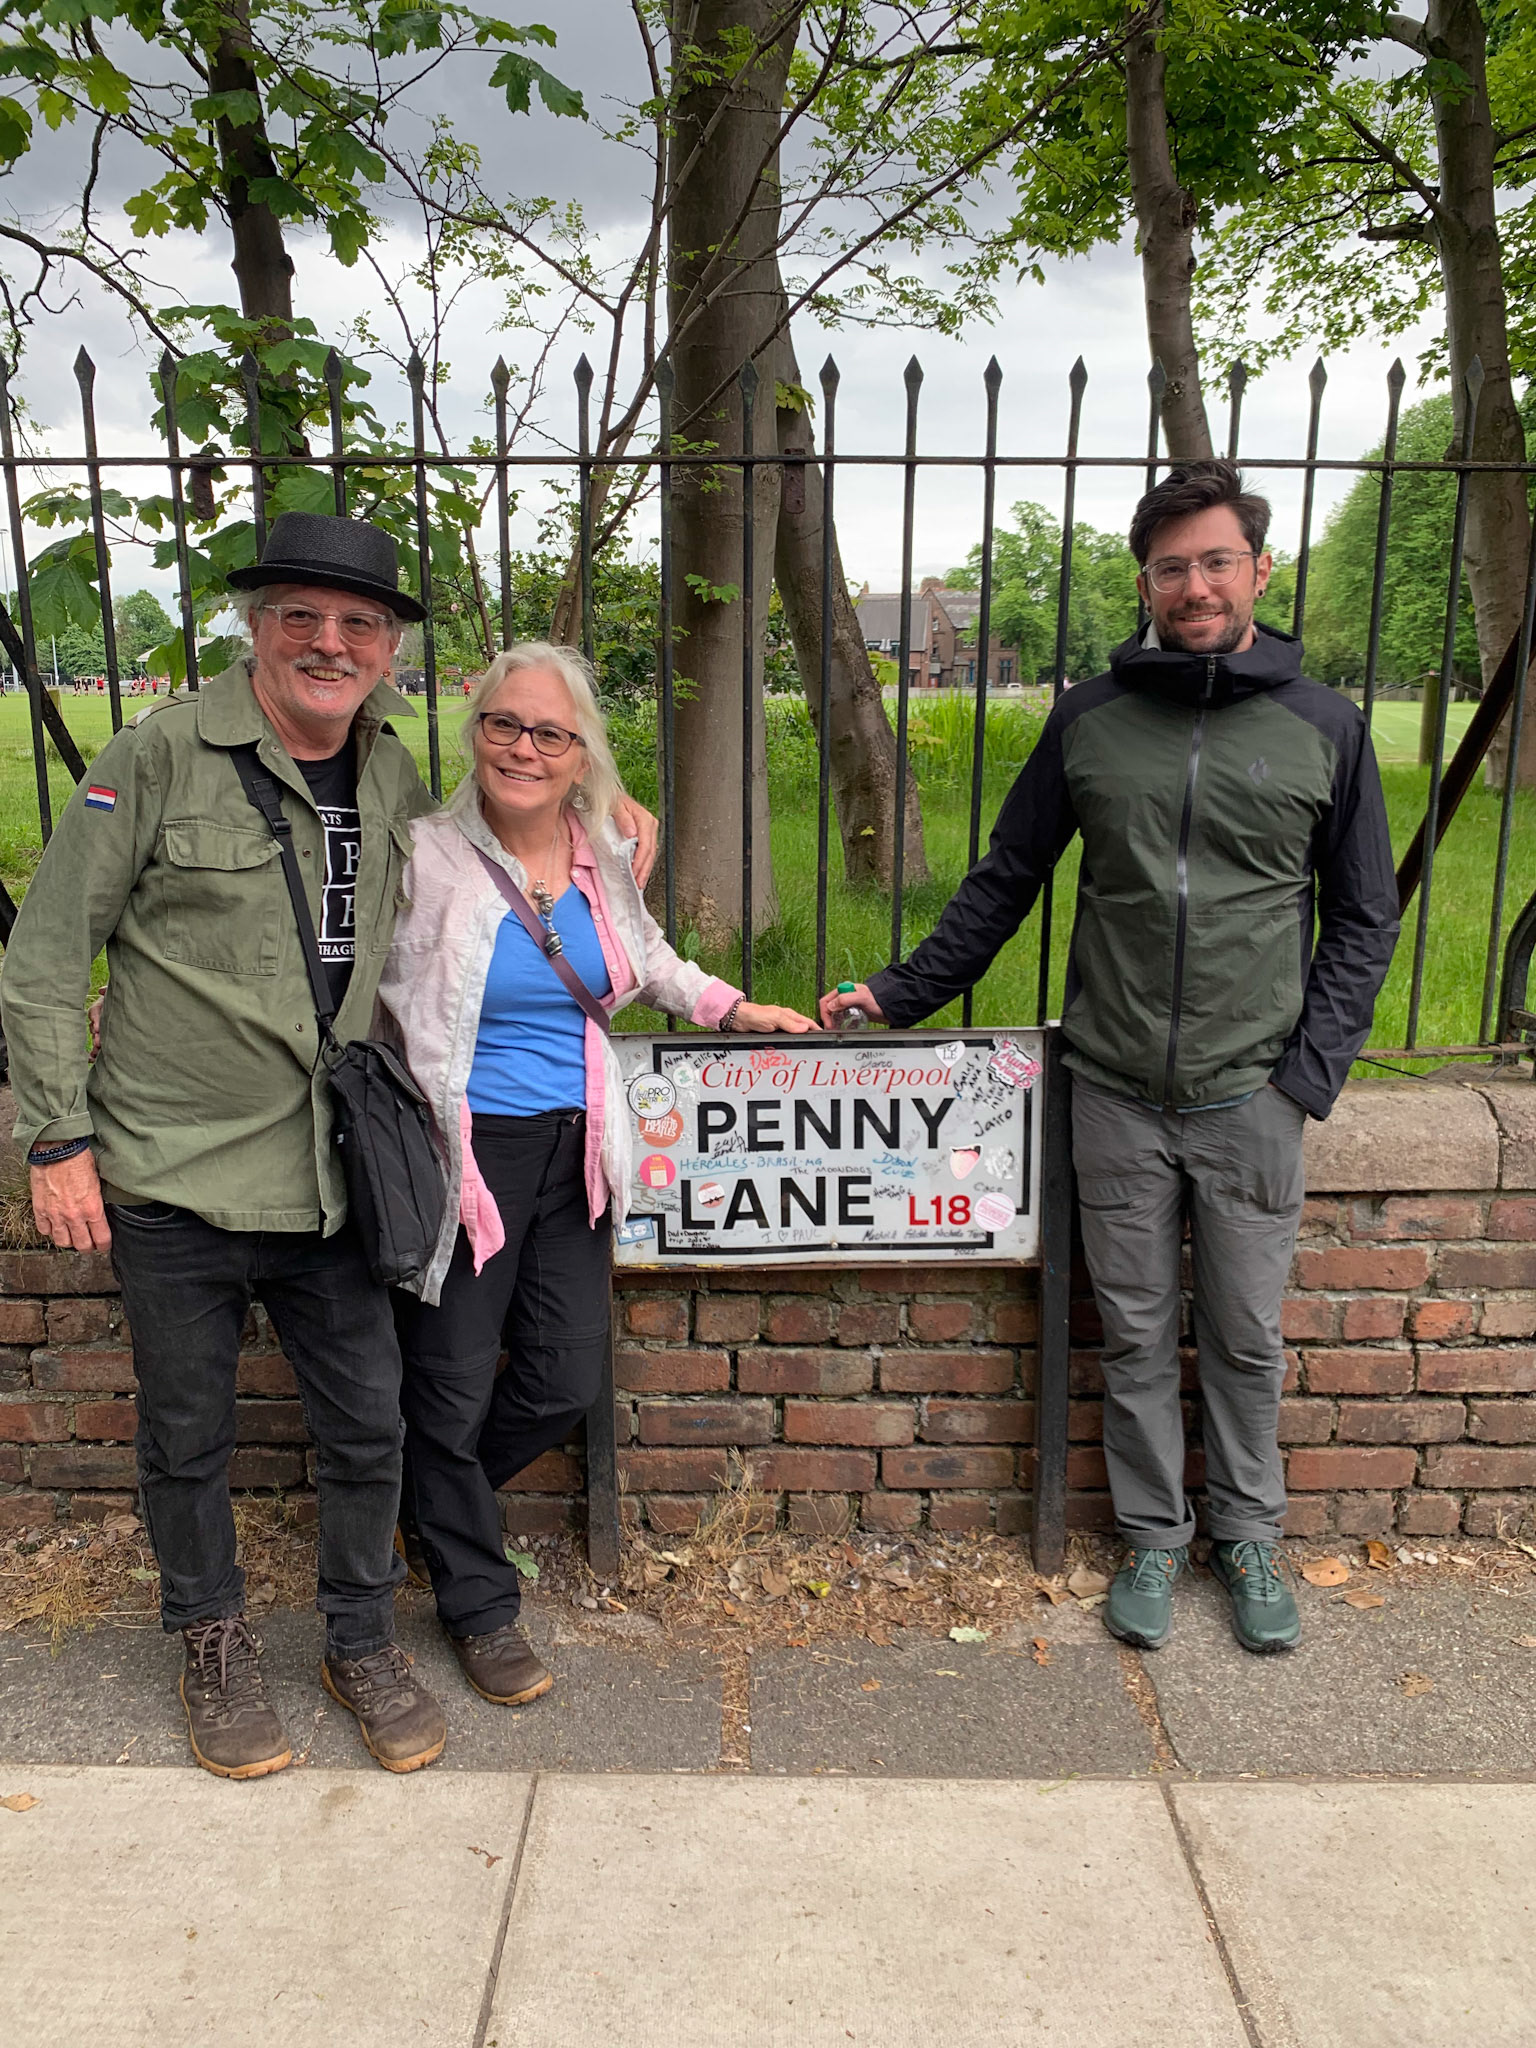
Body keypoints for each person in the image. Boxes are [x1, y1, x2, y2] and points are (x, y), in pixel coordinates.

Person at [1, 512, 660, 1779]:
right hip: (175, 1173)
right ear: (256, 627)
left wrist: (601, 814)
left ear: (390, 650)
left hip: (336, 1176)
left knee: (371, 1429)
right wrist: (55, 1137)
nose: (330, 642)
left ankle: (360, 1638)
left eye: (360, 623)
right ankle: (210, 1638)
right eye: (299, 614)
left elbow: (501, 853)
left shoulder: (394, 776)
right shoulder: (156, 757)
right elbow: (43, 955)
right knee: (187, 1435)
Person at [822, 461, 1399, 1658]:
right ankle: (1149, 1535)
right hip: (1116, 1091)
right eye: (1172, 567)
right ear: (1147, 583)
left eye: (1216, 561)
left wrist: (1309, 1075)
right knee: (1132, 1333)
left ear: (1258, 569)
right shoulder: (1091, 719)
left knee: (1244, 1336)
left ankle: (1248, 1536)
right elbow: (1006, 880)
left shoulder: (1325, 727)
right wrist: (897, 993)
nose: (1196, 586)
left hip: (1253, 1095)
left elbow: (1364, 915)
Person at [379, 642, 814, 1707]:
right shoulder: (424, 856)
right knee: (449, 1385)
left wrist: (730, 1007)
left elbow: (645, 957)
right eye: (504, 724)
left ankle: (431, 1506)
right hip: (463, 1155)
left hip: (577, 1150)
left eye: (550, 733)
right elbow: (360, 982)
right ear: (475, 732)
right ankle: (479, 1604)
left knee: (563, 1378)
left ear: (580, 755)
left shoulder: (603, 852)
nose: (523, 748)